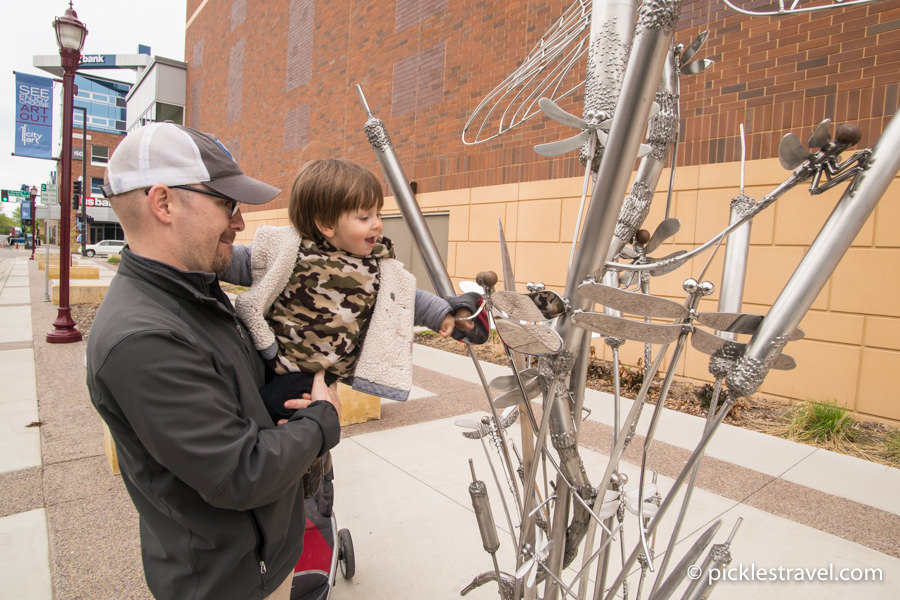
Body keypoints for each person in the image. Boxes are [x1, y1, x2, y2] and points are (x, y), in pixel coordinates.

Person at [85, 122, 341, 600]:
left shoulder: (198, 291)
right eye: (227, 204)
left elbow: (237, 393)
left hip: (264, 562)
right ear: (163, 203)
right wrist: (324, 419)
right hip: (231, 583)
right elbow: (241, 473)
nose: (240, 222)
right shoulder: (142, 340)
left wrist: (294, 380)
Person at [220, 158, 490, 422]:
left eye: (378, 214)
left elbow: (406, 299)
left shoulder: (374, 269)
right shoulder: (290, 253)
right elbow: (242, 261)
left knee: (302, 432)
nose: (377, 224)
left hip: (323, 375)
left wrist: (442, 314)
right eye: (364, 217)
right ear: (326, 225)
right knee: (263, 416)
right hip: (275, 363)